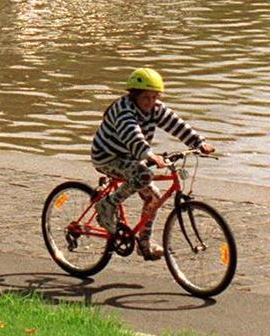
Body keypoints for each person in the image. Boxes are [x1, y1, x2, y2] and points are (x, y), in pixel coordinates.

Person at [91, 68, 214, 260]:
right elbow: (133, 136)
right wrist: (149, 155)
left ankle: (144, 244)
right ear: (134, 96)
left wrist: (199, 142)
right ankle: (107, 205)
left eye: (154, 97)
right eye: (146, 97)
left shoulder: (155, 109)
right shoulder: (124, 110)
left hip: (131, 158)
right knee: (143, 175)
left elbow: (177, 125)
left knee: (154, 197)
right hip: (107, 157)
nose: (151, 102)